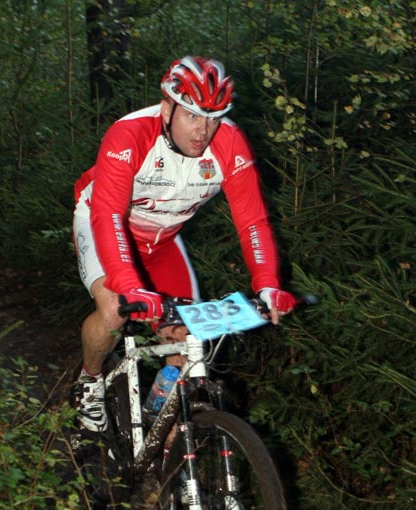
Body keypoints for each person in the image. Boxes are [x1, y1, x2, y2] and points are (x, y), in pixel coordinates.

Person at [72, 55, 297, 432]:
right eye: (192, 115)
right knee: (113, 310)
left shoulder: (230, 143)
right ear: (167, 109)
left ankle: (157, 432)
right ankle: (90, 381)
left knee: (187, 341)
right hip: (104, 225)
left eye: (214, 117)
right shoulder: (129, 134)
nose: (203, 130)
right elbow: (109, 216)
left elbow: (253, 223)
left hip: (162, 242)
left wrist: (268, 284)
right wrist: (128, 285)